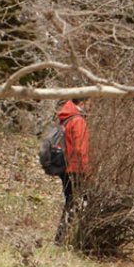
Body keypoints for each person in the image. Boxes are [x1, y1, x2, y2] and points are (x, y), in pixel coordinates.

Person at [54, 99, 91, 243]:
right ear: (83, 102)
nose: (90, 105)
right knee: (78, 202)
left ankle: (62, 237)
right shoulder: (78, 121)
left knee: (71, 201)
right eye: (89, 102)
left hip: (64, 166)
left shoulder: (66, 118)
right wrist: (87, 171)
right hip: (76, 168)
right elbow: (80, 149)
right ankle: (64, 238)